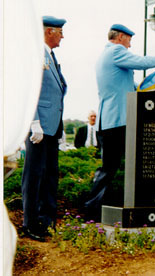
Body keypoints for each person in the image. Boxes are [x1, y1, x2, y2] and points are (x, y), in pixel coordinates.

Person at [84, 24, 155, 220]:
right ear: (121, 37)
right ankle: (91, 209)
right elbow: (140, 62)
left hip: (111, 121)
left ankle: (94, 209)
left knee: (111, 168)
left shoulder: (106, 56)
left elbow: (130, 86)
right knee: (110, 169)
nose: (130, 45)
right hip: (117, 122)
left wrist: (153, 83)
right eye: (129, 40)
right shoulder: (115, 51)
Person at [21, 15, 67, 241]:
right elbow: (30, 92)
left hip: (52, 128)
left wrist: (60, 126)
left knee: (49, 177)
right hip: (39, 128)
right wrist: (34, 122)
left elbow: (56, 93)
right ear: (50, 32)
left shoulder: (50, 56)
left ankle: (46, 222)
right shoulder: (35, 54)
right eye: (60, 32)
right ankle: (30, 224)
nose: (63, 36)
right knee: (34, 176)